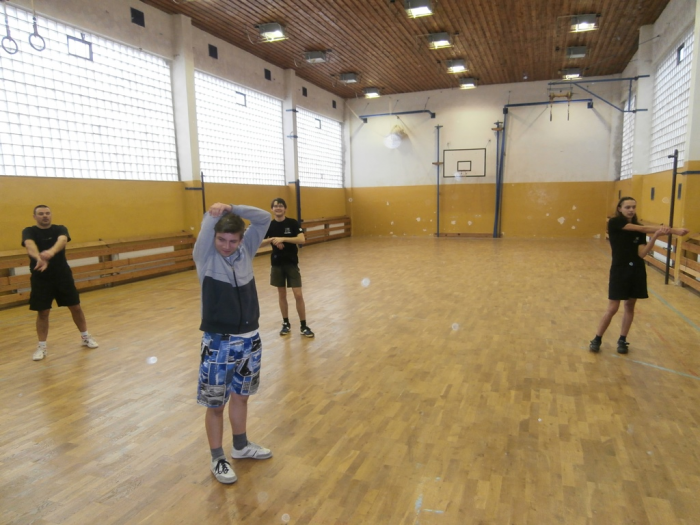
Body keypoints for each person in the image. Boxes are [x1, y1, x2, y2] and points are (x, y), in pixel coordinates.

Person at [193, 202, 273, 485]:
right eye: (221, 239)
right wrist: (214, 213)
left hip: (250, 340)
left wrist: (233, 207)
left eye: (232, 241)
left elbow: (263, 217)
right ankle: (218, 458)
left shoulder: (246, 250)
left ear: (241, 240)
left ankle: (240, 446)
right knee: (216, 405)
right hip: (219, 343)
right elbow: (208, 228)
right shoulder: (205, 256)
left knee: (241, 397)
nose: (226, 246)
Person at [589, 197, 689, 354]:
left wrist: (655, 236)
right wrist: (674, 231)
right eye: (627, 207)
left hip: (636, 270)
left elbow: (641, 254)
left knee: (629, 306)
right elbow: (641, 229)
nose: (631, 210)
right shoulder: (615, 222)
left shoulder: (640, 229)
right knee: (613, 308)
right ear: (620, 208)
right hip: (620, 270)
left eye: (633, 207)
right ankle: (597, 338)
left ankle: (622, 339)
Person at [21, 205, 98, 361]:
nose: (45, 216)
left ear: (51, 215)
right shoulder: (29, 231)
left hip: (62, 276)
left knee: (75, 307)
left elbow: (62, 240)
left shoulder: (60, 229)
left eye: (47, 213)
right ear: (35, 217)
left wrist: (50, 253)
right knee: (43, 312)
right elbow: (29, 245)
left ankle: (85, 337)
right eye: (41, 214)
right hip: (41, 277)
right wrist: (39, 258)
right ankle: (42, 347)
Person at [261, 198, 315, 338]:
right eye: (275, 206)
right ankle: (286, 323)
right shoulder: (269, 225)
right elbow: (259, 243)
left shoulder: (292, 223)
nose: (278, 208)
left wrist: (283, 239)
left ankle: (303, 325)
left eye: (280, 206)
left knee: (298, 294)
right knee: (282, 294)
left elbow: (301, 239)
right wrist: (272, 239)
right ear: (272, 209)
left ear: (285, 208)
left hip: (291, 263)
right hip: (277, 264)